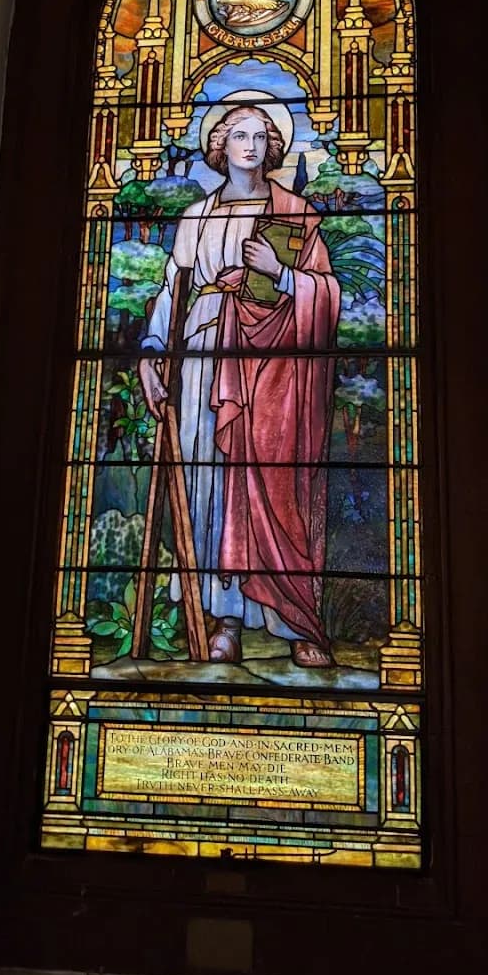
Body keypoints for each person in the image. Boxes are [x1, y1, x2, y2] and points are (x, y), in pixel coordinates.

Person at [138, 93, 340, 667]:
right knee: (210, 487)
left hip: (274, 370)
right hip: (205, 356)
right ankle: (222, 617)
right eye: (239, 136)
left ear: (273, 147)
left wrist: (279, 274)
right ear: (220, 145)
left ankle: (289, 618)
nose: (250, 147)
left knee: (270, 486)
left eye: (259, 137)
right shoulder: (197, 216)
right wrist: (154, 353)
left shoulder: (296, 214)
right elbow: (172, 290)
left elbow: (327, 295)